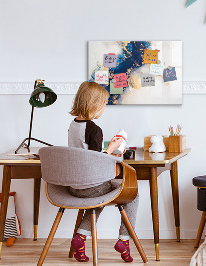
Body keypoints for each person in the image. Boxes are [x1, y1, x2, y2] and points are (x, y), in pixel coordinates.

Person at [68, 81, 138, 263]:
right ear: (94, 105)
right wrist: (112, 149)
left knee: (99, 197)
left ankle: (80, 238)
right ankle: (124, 240)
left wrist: (107, 149)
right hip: (91, 186)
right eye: (103, 105)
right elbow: (95, 161)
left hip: (74, 186)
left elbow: (85, 154)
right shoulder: (94, 129)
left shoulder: (73, 125)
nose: (103, 109)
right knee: (133, 194)